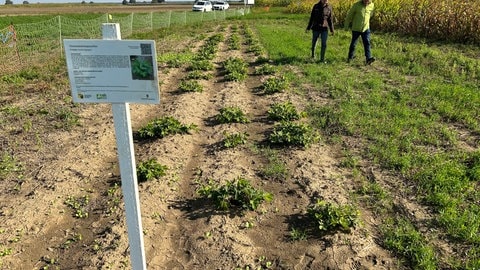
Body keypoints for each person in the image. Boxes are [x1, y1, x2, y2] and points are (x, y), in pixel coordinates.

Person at [344, 0, 375, 65]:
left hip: (366, 28)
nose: (366, 1)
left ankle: (368, 58)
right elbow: (349, 16)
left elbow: (370, 15)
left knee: (367, 42)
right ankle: (350, 57)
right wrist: (346, 26)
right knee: (354, 43)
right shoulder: (356, 5)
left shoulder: (372, 5)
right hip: (356, 28)